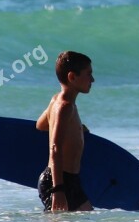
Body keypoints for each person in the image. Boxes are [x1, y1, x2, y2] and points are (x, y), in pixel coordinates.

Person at [36, 51, 95, 213]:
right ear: (72, 77)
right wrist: (58, 190)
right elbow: (55, 148)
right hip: (59, 181)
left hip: (69, 180)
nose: (92, 80)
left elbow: (40, 125)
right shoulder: (65, 107)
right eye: (88, 74)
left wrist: (74, 128)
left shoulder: (57, 100)